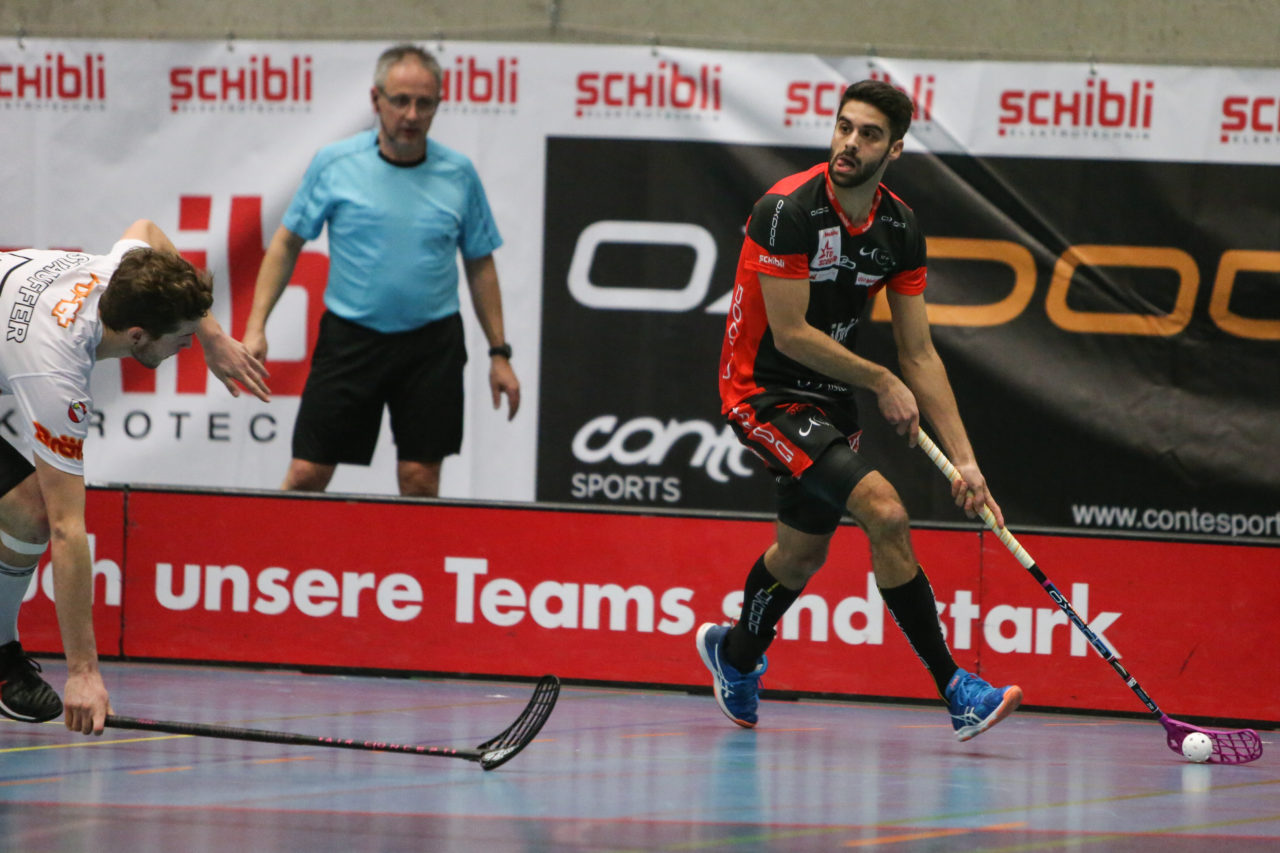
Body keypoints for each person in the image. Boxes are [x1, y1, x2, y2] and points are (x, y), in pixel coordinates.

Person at [697, 79, 1022, 741]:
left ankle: (733, 655)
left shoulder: (899, 228)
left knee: (799, 554)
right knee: (886, 510)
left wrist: (967, 461)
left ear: (894, 149)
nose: (849, 142)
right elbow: (789, 334)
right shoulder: (785, 209)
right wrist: (880, 380)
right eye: (844, 127)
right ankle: (956, 688)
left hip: (828, 392)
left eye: (868, 134)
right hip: (762, 390)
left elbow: (920, 352)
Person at [0, 220, 270, 735]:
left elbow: (148, 229)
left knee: (24, 510)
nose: (187, 347)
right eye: (184, 338)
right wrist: (84, 673)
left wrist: (212, 336)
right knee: (41, 514)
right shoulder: (57, 373)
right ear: (139, 336)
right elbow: (67, 529)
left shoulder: (119, 273)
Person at [243, 43, 519, 498]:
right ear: (376, 101)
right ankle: (280, 566)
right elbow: (286, 243)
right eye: (400, 100)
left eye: (424, 103)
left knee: (419, 479)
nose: (411, 114)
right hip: (351, 340)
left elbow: (480, 263)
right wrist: (256, 327)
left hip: (432, 346)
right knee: (307, 475)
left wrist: (499, 353)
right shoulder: (335, 163)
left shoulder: (459, 174)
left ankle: (414, 571)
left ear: (438, 105)